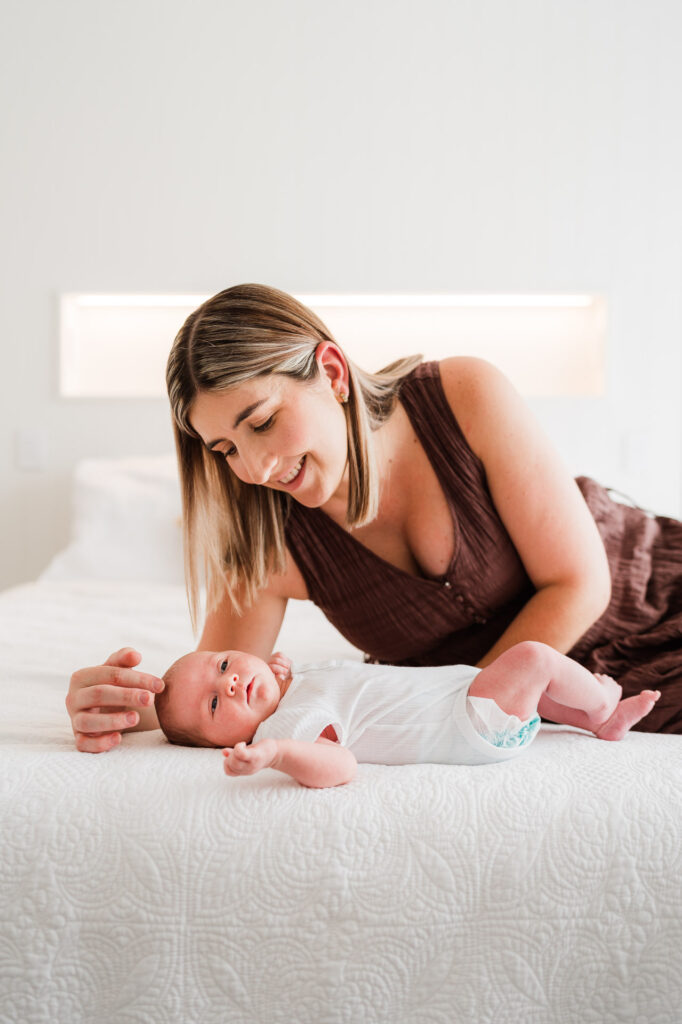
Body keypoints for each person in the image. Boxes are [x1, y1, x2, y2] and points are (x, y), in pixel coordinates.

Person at [65, 282, 682, 752]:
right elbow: (210, 693)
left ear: (331, 372)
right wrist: (112, 705)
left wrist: (471, 703)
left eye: (261, 422)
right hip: (555, 694)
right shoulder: (266, 542)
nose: (254, 468)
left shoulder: (463, 395)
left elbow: (579, 583)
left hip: (651, 595)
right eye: (226, 450)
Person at [153, 642, 661, 788]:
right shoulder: (287, 726)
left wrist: (281, 671)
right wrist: (276, 755)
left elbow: (317, 679)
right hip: (468, 724)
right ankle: (601, 702)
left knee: (542, 694)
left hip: (462, 692)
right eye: (216, 703)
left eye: (223, 665)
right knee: (534, 661)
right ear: (220, 742)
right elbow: (340, 765)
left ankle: (597, 725)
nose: (231, 681)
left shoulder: (292, 687)